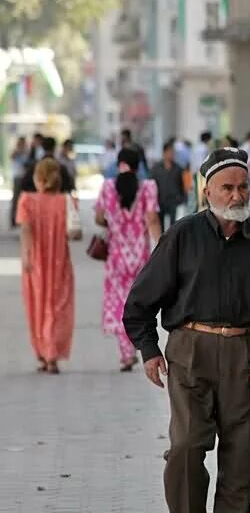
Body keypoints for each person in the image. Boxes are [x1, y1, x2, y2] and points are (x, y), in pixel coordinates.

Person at [122, 147, 250, 513]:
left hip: (246, 355)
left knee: (241, 456)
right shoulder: (183, 236)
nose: (238, 194)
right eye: (228, 187)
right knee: (185, 447)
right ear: (208, 191)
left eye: (243, 186)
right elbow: (139, 303)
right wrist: (149, 350)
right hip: (190, 352)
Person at [96, 148, 162, 371]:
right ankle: (138, 346)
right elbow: (152, 218)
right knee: (137, 302)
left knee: (119, 303)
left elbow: (98, 217)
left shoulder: (107, 188)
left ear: (118, 163)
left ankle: (125, 354)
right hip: (140, 255)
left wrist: (114, 224)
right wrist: (161, 248)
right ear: (138, 164)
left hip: (116, 256)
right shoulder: (148, 188)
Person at [16, 158, 76, 374]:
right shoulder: (65, 201)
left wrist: (25, 257)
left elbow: (25, 231)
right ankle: (52, 355)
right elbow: (74, 234)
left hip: (35, 262)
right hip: (60, 261)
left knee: (37, 307)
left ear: (38, 178)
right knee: (57, 306)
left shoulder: (26, 200)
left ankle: (43, 354)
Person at [150, 140, 187, 232]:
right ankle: (163, 242)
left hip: (174, 200)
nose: (172, 154)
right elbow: (152, 185)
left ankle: (172, 242)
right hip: (160, 199)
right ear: (164, 153)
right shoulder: (156, 168)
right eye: (170, 152)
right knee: (161, 224)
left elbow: (182, 184)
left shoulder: (178, 168)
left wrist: (183, 198)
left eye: (173, 153)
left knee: (173, 225)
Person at [9, 136, 28, 229]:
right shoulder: (16, 152)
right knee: (15, 199)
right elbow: (11, 157)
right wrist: (18, 150)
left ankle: (20, 219)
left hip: (24, 177)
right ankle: (13, 220)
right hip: (17, 177)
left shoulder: (26, 152)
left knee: (23, 199)